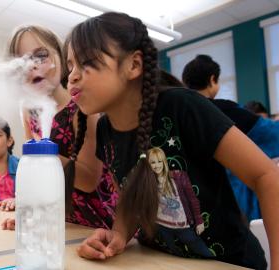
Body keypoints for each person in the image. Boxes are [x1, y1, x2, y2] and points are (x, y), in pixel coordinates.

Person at [66, 12, 278, 269]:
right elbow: (129, 197)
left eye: (86, 62)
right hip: (162, 262)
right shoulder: (104, 129)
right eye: (70, 66)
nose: (72, 77)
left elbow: (267, 176)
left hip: (230, 263)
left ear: (133, 65)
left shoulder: (182, 106)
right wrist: (118, 234)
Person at [2, 25, 117, 230]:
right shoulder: (29, 112)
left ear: (63, 60)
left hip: (97, 223)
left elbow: (89, 180)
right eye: (21, 63)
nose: (31, 67)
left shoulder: (83, 108)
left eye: (41, 56)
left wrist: (43, 152)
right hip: (59, 221)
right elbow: (36, 175)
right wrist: (27, 207)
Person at [182, 54, 279, 221]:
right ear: (213, 80)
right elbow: (271, 134)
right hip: (232, 202)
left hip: (191, 205)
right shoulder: (225, 110)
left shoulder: (178, 115)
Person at [148, 147, 212, 258]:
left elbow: (193, 199)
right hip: (162, 226)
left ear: (164, 162)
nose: (157, 165)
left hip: (182, 226)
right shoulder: (149, 181)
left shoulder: (179, 176)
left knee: (203, 253)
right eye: (153, 162)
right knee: (174, 255)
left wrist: (199, 220)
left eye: (159, 161)